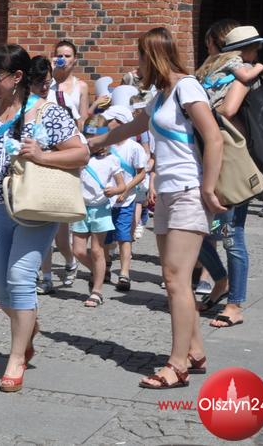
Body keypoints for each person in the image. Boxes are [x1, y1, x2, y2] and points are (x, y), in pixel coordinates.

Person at [0, 44, 89, 393]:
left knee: (20, 278)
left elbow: (81, 153)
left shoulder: (48, 113)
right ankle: (27, 324)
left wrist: (42, 155)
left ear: (18, 77)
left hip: (35, 207)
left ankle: (16, 357)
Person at [90, 27, 225, 388]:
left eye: (139, 56)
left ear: (152, 56)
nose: (136, 64)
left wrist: (208, 187)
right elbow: (130, 128)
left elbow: (213, 137)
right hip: (166, 192)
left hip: (187, 191)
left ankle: (177, 366)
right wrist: (89, 144)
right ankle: (195, 352)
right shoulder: (161, 96)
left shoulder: (186, 87)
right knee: (173, 278)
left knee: (176, 279)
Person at [194, 21, 263, 328]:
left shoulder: (208, 73)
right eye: (255, 48)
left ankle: (235, 304)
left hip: (229, 163)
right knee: (196, 230)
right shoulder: (240, 71)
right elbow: (227, 110)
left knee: (231, 236)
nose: (258, 53)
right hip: (214, 159)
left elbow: (226, 110)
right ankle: (221, 282)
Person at [31, 56, 80, 294]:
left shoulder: (60, 101)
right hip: (32, 177)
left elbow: (75, 137)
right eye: (38, 82)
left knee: (60, 238)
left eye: (47, 82)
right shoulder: (22, 106)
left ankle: (70, 261)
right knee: (42, 234)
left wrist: (47, 153)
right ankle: (46, 276)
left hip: (55, 173)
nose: (43, 87)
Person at [72, 115, 125, 307]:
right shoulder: (82, 156)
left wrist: (114, 191)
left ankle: (97, 291)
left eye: (95, 139)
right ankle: (98, 271)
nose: (92, 142)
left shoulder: (112, 160)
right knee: (78, 251)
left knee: (97, 250)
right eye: (89, 138)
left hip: (100, 208)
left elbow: (122, 185)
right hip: (81, 207)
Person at [101, 103, 147, 292]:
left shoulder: (134, 147)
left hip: (125, 201)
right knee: (104, 237)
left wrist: (126, 190)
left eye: (109, 120)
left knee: (123, 237)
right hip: (104, 200)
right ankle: (104, 267)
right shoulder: (104, 144)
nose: (106, 122)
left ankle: (124, 273)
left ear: (120, 122)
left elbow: (141, 173)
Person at [48, 40, 90, 130]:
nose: (63, 59)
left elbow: (83, 120)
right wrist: (50, 71)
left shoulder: (81, 86)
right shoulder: (47, 83)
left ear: (75, 59)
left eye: (67, 56)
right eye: (60, 56)